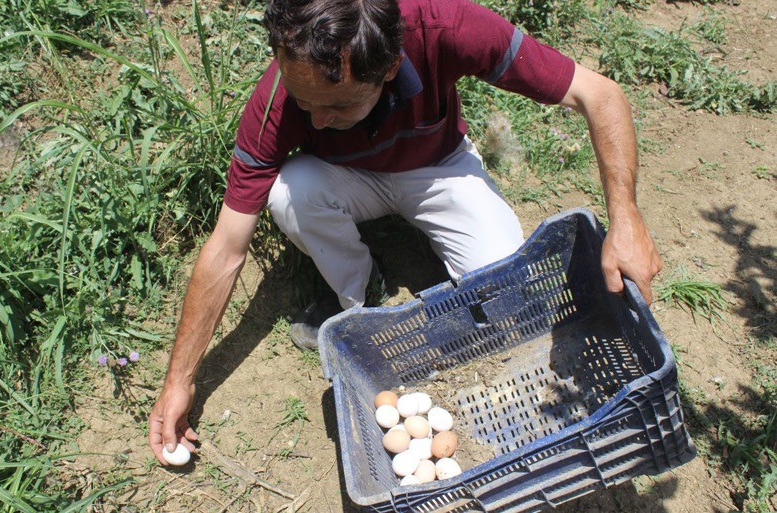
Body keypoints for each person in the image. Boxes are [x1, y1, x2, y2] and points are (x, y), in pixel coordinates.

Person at [148, 0, 662, 465]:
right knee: (289, 191)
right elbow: (227, 248)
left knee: (507, 283)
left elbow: (599, 93)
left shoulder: (447, 25)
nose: (317, 120)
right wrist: (180, 380)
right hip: (342, 177)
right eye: (305, 102)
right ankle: (361, 295)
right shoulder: (278, 101)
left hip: (438, 167)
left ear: (390, 66)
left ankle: (445, 259)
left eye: (338, 104)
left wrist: (626, 220)